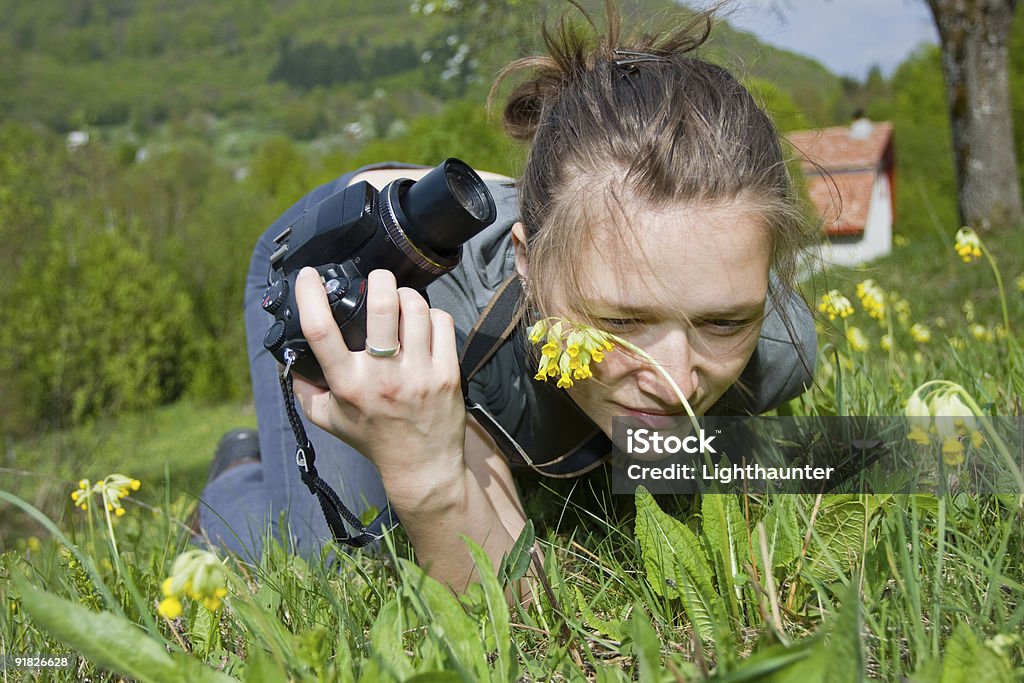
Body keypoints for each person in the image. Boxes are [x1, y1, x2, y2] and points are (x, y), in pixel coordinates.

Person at [195, 5, 817, 592]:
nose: (675, 376)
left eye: (723, 322)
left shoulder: (778, 347)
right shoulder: (443, 316)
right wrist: (430, 481)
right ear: (527, 263)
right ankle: (238, 476)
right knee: (345, 560)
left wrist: (804, 464)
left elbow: (873, 458)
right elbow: (512, 589)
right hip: (333, 273)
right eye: (621, 320)